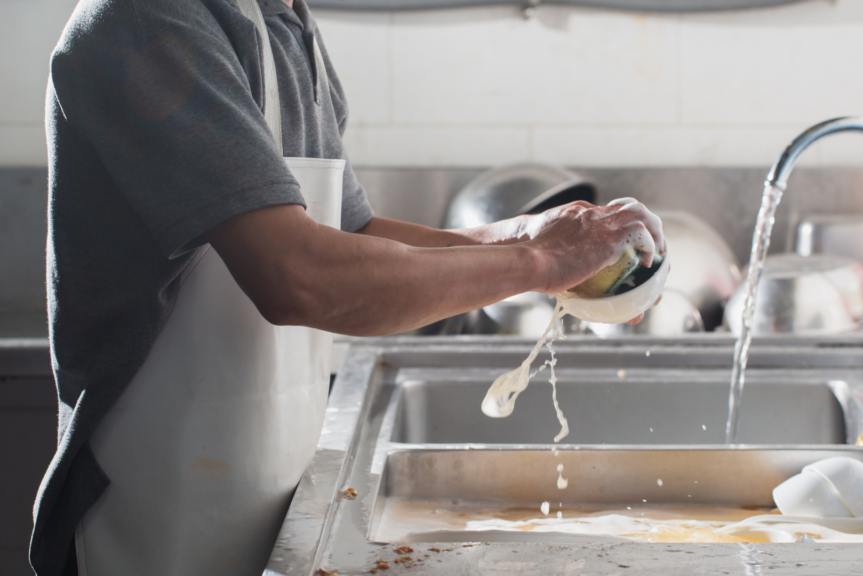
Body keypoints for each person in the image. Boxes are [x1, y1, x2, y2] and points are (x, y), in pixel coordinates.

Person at [31, 0, 666, 574]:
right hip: (155, 514)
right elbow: (298, 277)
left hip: (270, 497)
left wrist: (532, 234)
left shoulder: (285, 22)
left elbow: (354, 234)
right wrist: (538, 264)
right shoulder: (151, 20)